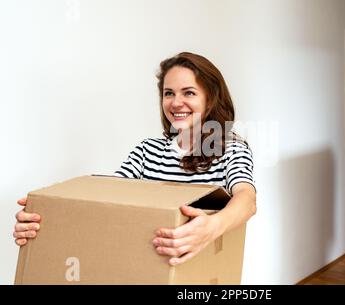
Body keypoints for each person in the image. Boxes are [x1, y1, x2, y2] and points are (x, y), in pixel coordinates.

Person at [13, 52, 257, 266]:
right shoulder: (146, 151)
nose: (175, 102)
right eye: (168, 93)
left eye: (189, 92)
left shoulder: (231, 150)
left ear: (210, 98)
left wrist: (210, 229)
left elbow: (247, 200)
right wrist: (46, 214)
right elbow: (106, 201)